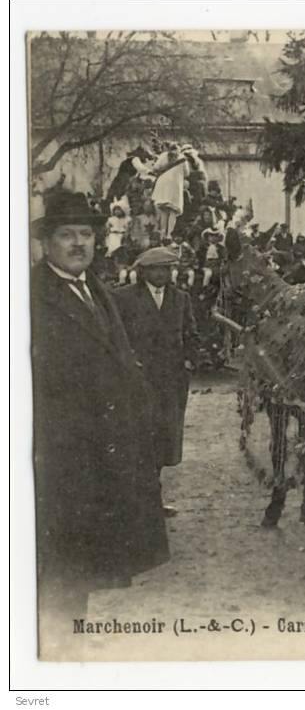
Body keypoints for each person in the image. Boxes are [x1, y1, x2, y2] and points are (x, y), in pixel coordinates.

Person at [31, 189, 169, 655]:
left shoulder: (97, 291)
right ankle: (48, 654)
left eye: (86, 235)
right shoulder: (29, 297)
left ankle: (65, 641)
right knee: (55, 562)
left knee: (80, 563)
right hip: (59, 457)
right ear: (45, 243)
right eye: (66, 235)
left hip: (102, 456)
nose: (77, 244)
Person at [114, 247, 199, 517]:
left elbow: (191, 334)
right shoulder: (123, 298)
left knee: (164, 439)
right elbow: (115, 336)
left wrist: (188, 362)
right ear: (143, 271)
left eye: (166, 268)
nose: (161, 274)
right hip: (138, 381)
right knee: (138, 438)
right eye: (155, 269)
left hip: (171, 382)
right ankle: (137, 502)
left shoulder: (180, 298)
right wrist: (128, 362)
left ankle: (153, 500)